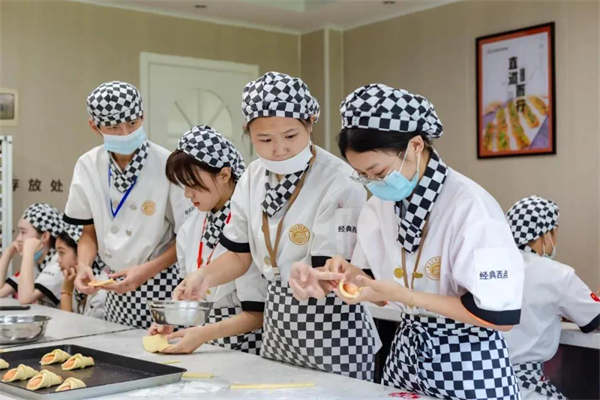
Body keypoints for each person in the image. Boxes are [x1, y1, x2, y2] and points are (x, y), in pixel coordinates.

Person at [292, 84, 524, 399]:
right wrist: (337, 277)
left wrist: (403, 295)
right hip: (405, 358)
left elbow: (498, 316)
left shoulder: (470, 206)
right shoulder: (379, 207)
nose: (373, 183)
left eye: (378, 172)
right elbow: (374, 289)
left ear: (415, 145)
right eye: (363, 175)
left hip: (469, 360)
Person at [174, 72, 379, 380]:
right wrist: (204, 276)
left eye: (291, 136)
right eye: (265, 140)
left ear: (310, 123)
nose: (279, 149)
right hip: (278, 328)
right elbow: (239, 254)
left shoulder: (339, 180)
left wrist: (313, 277)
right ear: (247, 132)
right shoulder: (252, 177)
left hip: (332, 329)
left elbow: (333, 273)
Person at [64, 81, 189, 329]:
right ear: (94, 126)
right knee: (118, 348)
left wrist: (146, 271)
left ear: (143, 116)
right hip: (114, 286)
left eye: (132, 123)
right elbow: (88, 232)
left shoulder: (167, 163)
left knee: (162, 348)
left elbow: (187, 235)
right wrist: (84, 265)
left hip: (162, 283)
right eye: (113, 127)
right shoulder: (88, 165)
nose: (125, 133)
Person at [149, 125, 265, 354]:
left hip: (246, 347)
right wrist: (173, 319)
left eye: (193, 184)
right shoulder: (192, 224)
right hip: (203, 343)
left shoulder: (251, 221)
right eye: (183, 185)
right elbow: (194, 292)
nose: (187, 194)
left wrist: (205, 333)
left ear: (224, 175)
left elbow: (257, 314)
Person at [504, 195, 600, 399]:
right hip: (525, 388)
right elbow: (595, 317)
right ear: (545, 235)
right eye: (555, 232)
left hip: (482, 382)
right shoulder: (557, 274)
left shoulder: (489, 267)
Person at [0, 203, 63, 307]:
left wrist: (28, 253)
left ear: (44, 236)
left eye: (23, 232)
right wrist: (8, 252)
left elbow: (25, 298)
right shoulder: (36, 263)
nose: (18, 239)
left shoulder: (58, 263)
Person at [57, 223, 107, 319]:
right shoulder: (75, 281)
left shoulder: (100, 290)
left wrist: (66, 293)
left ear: (79, 252)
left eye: (62, 252)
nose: (58, 260)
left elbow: (68, 324)